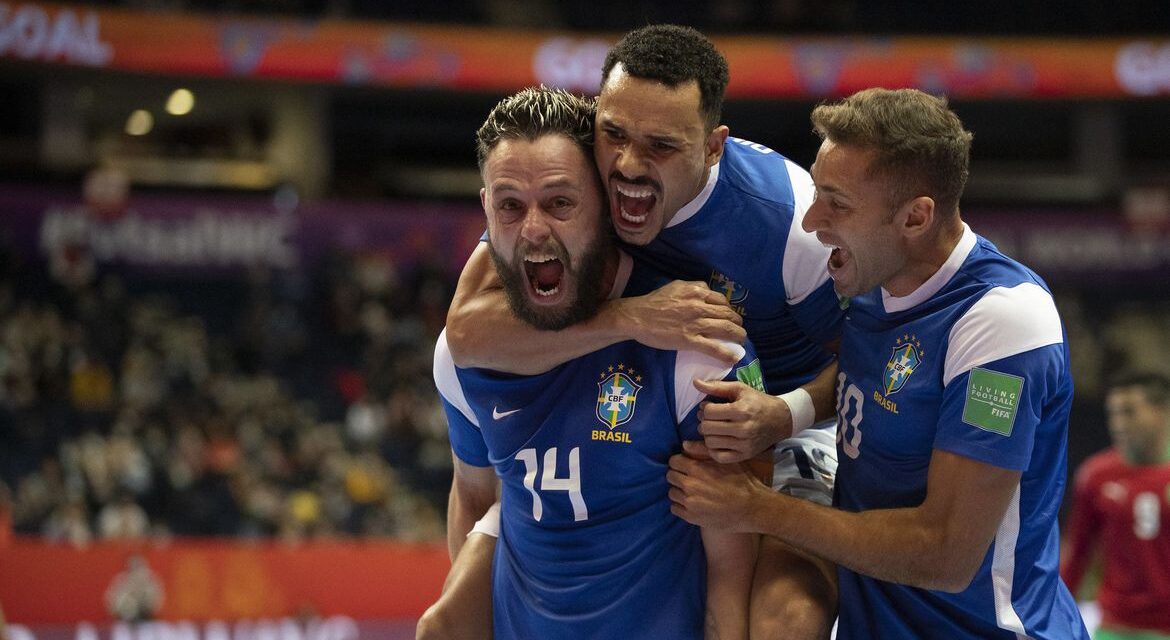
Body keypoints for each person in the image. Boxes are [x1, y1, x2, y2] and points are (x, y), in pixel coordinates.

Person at [440, 24, 844, 639]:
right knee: (444, 622)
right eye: (615, 134)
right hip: (647, 403)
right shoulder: (571, 180)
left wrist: (785, 412)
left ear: (712, 148)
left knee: (785, 622)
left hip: (788, 420)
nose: (628, 164)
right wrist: (633, 317)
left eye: (660, 146)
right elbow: (465, 333)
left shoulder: (791, 220)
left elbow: (872, 358)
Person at [666, 87, 1090, 639]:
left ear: (915, 218)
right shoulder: (871, 280)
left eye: (837, 203)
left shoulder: (1002, 325)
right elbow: (868, 376)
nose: (813, 220)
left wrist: (757, 510)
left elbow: (946, 555)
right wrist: (788, 412)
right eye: (817, 193)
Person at [424, 86, 759, 639]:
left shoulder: (695, 343)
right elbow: (475, 495)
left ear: (604, 205)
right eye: (510, 205)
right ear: (486, 208)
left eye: (560, 203)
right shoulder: (463, 356)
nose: (533, 229)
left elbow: (731, 563)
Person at [1062, 371, 1170, 640]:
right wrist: (1057, 617)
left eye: (1129, 412)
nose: (1118, 424)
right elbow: (1077, 554)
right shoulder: (1095, 475)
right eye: (1113, 414)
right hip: (1115, 626)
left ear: (1162, 411)